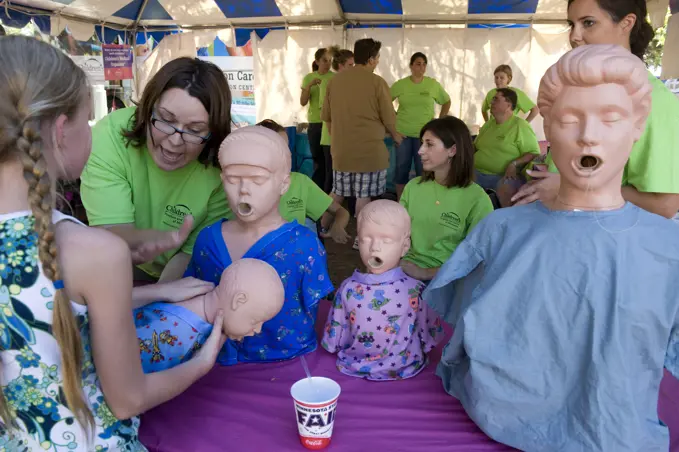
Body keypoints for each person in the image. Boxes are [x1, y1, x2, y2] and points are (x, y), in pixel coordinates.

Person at [424, 44, 679, 452]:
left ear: (637, 127)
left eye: (610, 118)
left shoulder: (668, 246)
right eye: (568, 119)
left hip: (612, 431)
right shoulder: (500, 229)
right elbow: (461, 317)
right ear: (548, 131)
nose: (588, 135)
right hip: (498, 414)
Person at [0, 36, 225, 451]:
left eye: (194, 131)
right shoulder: (95, 253)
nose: (176, 139)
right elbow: (126, 400)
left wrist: (156, 290)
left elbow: (42, 311)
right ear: (63, 129)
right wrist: (201, 364)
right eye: (89, 119)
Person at [512, 0, 679, 219]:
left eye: (588, 23)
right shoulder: (572, 89)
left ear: (626, 23)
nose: (574, 36)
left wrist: (568, 187)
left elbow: (664, 204)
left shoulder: (654, 99)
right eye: (571, 25)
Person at [185, 126, 334, 365]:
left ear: (284, 184)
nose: (244, 190)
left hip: (288, 365)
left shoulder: (304, 247)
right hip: (212, 365)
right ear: (223, 180)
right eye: (233, 180)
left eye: (258, 180)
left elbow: (315, 302)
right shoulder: (208, 241)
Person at [80, 57, 233, 283]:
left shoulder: (223, 166)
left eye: (195, 130)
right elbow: (113, 238)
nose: (174, 141)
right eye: (165, 119)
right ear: (147, 108)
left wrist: (162, 303)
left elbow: (188, 255)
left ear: (213, 131)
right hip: (114, 262)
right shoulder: (110, 136)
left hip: (183, 273)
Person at [322, 200, 444, 381]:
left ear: (405, 246)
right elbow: (430, 338)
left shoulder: (415, 291)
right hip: (401, 367)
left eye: (386, 240)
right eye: (366, 239)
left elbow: (334, 340)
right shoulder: (347, 289)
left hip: (394, 367)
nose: (375, 247)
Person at [322, 38, 402, 250]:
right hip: (369, 151)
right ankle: (360, 239)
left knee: (337, 192)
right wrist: (395, 135)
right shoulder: (377, 83)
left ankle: (320, 229)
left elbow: (327, 117)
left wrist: (336, 140)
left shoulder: (334, 81)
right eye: (377, 58)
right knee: (363, 197)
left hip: (341, 151)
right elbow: (389, 117)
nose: (377, 62)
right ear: (371, 59)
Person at [136, 259, 285, 373]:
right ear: (238, 301)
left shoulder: (188, 300)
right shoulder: (178, 336)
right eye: (255, 320)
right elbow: (132, 383)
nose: (258, 330)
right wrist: (197, 367)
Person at [399, 116, 493, 283]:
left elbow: (479, 257)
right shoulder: (413, 187)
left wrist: (427, 273)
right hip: (405, 271)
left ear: (452, 150)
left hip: (448, 280)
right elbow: (396, 234)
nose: (420, 150)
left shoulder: (478, 199)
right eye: (422, 143)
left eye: (429, 144)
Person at [257, 119, 351, 244]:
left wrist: (337, 227)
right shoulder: (244, 186)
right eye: (279, 148)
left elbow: (341, 212)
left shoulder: (300, 182)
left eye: (287, 147)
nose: (288, 153)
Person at [391, 52, 451, 200]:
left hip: (425, 137)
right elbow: (384, 102)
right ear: (411, 66)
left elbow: (446, 101)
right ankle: (401, 201)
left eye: (424, 64)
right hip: (403, 134)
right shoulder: (401, 84)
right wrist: (393, 120)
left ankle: (422, 201)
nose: (422, 67)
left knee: (424, 170)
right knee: (401, 169)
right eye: (418, 63)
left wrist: (440, 120)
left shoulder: (432, 84)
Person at [474, 88, 541, 207]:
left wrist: (514, 164)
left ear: (508, 105)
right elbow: (475, 146)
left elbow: (534, 152)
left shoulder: (520, 125)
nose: (491, 103)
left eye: (496, 99)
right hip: (476, 172)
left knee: (507, 190)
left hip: (502, 176)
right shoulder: (489, 124)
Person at [319, 47, 355, 194]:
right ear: (341, 66)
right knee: (332, 177)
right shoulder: (329, 82)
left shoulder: (351, 83)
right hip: (332, 139)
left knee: (349, 176)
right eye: (350, 65)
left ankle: (349, 210)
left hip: (346, 138)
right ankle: (325, 213)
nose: (353, 68)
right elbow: (327, 114)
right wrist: (334, 137)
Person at [301, 48, 334, 192]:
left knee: (330, 162)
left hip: (330, 123)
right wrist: (309, 86)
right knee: (317, 159)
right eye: (325, 60)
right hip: (315, 123)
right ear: (317, 61)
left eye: (330, 61)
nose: (328, 64)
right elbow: (302, 102)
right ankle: (317, 191)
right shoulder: (308, 77)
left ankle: (329, 193)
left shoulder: (335, 77)